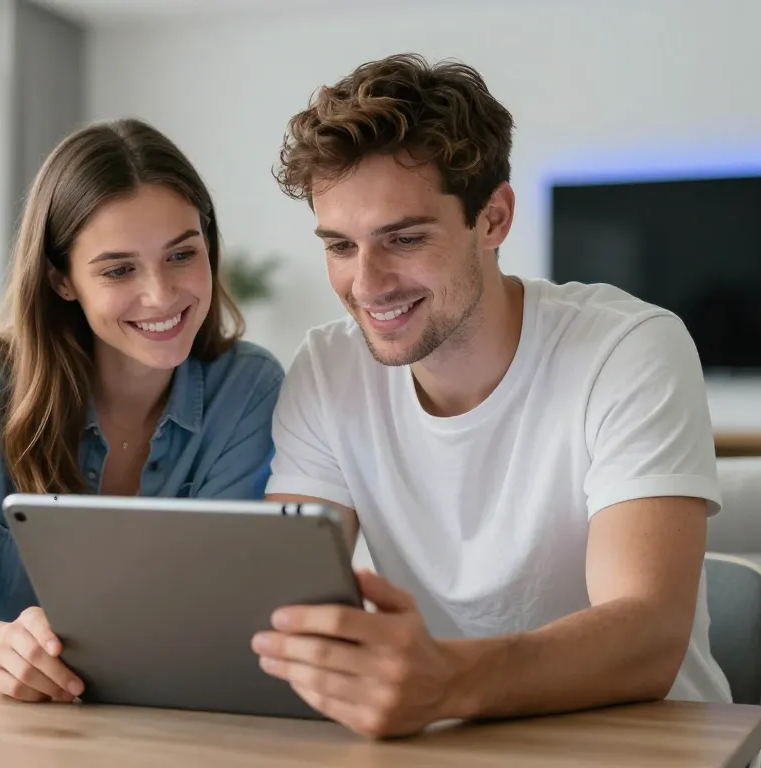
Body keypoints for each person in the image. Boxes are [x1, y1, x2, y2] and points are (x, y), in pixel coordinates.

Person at [251, 53, 731, 738]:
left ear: (494, 219)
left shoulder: (629, 349)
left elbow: (648, 638)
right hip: (448, 742)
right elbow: (283, 602)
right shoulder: (328, 368)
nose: (367, 283)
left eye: (404, 238)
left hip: (644, 745)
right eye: (340, 246)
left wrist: (446, 680)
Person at [0, 119, 284, 704]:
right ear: (62, 279)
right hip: (21, 725)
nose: (162, 295)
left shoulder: (250, 388)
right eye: (118, 269)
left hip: (186, 719)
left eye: (182, 254)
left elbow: (226, 607)